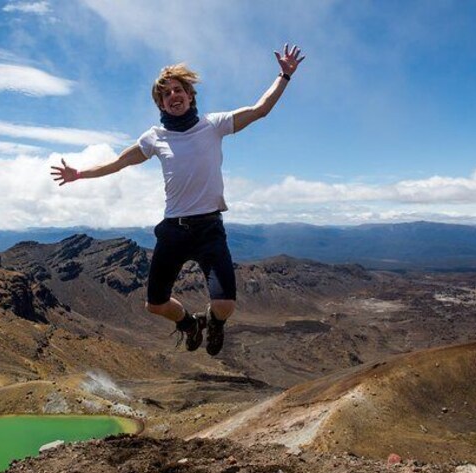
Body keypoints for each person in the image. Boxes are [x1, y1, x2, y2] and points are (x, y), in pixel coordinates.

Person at [51, 44, 305, 356]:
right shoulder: (154, 137)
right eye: (166, 94)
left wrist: (284, 75)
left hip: (210, 228)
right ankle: (189, 324)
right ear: (160, 103)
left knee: (225, 305)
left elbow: (260, 109)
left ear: (190, 95)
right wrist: (80, 174)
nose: (173, 96)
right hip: (174, 230)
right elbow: (118, 163)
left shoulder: (213, 125)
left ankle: (213, 321)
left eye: (178, 90)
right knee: (154, 304)